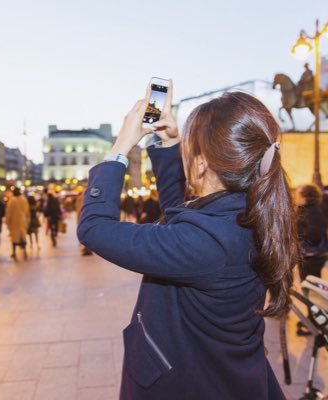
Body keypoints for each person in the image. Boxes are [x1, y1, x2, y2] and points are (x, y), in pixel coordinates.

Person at [77, 84, 298, 399]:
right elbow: (179, 219)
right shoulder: (247, 216)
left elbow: (94, 228)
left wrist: (120, 148)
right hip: (223, 376)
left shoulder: (208, 242)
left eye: (188, 148)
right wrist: (169, 144)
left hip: (184, 382)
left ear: (203, 161)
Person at [295, 184, 327, 280]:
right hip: (308, 255)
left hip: (313, 256)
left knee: (310, 284)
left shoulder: (313, 212)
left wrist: (296, 235)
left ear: (305, 197)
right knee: (307, 283)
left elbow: (315, 235)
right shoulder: (304, 210)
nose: (295, 197)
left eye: (298, 195)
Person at [6, 188, 30, 260]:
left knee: (14, 238)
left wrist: (7, 222)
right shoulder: (24, 200)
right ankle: (24, 251)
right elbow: (27, 211)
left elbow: (9, 213)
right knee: (23, 237)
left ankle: (14, 252)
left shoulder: (11, 201)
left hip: (14, 221)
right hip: (23, 220)